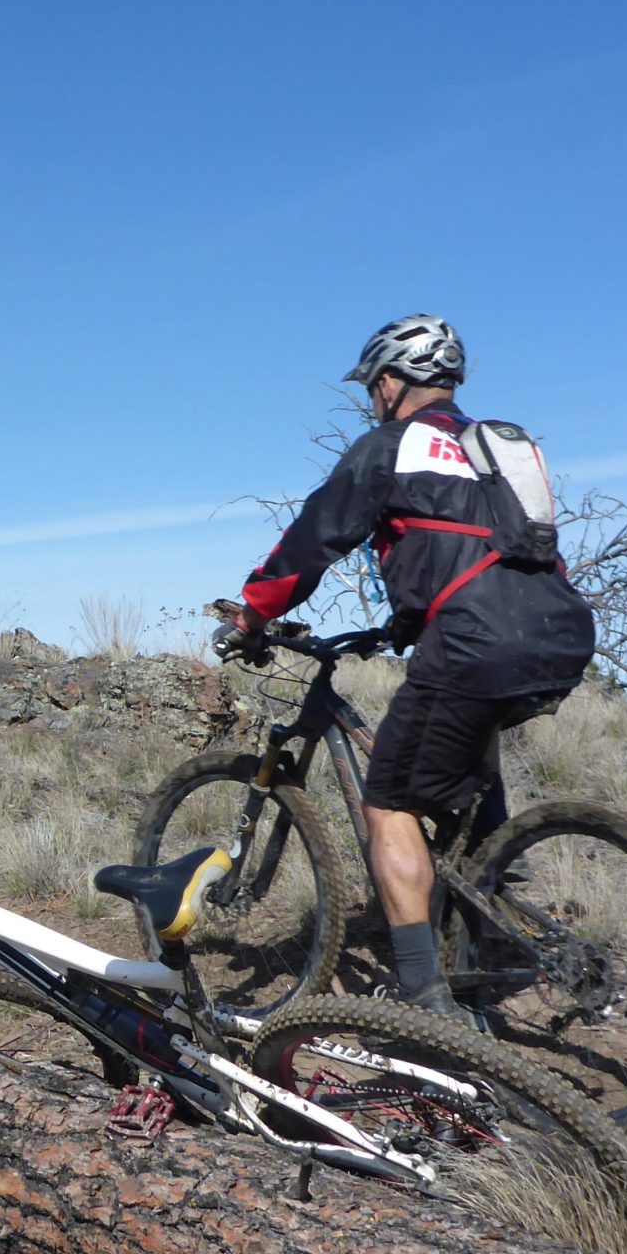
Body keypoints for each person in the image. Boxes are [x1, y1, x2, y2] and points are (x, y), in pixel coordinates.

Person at [217, 315, 595, 1015]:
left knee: (388, 803)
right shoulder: (502, 446)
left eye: (372, 387)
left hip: (474, 638)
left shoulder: (390, 445)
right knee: (467, 788)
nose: (371, 399)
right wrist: (403, 621)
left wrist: (252, 616)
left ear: (392, 383)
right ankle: (482, 925)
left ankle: (423, 995)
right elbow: (487, 549)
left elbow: (312, 541)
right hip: (560, 629)